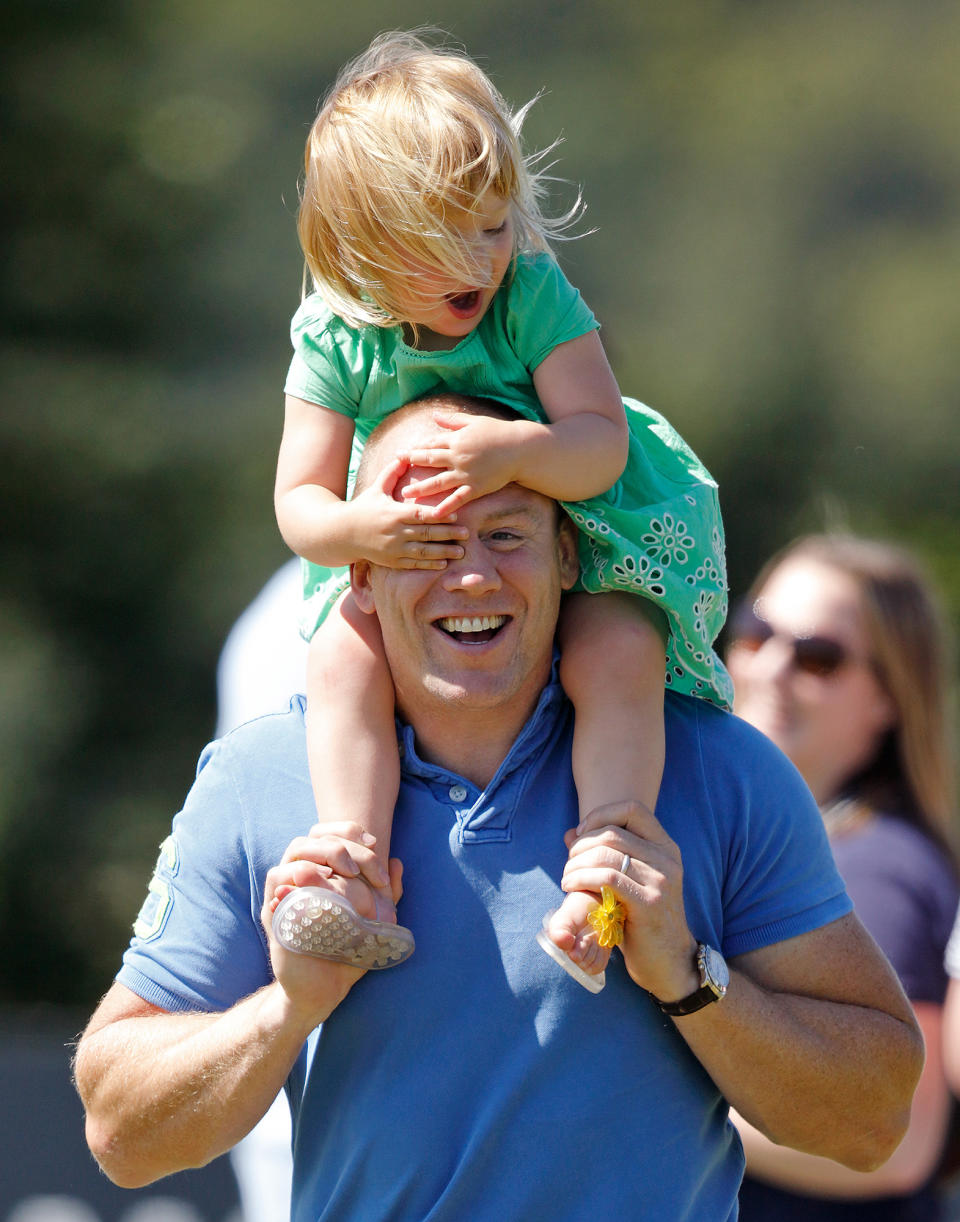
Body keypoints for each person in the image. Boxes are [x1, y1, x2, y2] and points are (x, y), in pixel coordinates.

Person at [74, 397, 924, 1221]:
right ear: (360, 574)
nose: (471, 573)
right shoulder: (259, 778)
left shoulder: (722, 770)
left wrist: (688, 977)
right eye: (425, 540)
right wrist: (287, 1008)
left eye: (506, 535)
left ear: (567, 557)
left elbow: (875, 1120)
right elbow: (120, 1130)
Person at [273, 29, 732, 986]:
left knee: (617, 648)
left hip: (581, 522)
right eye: (452, 239)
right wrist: (362, 533)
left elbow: (598, 443)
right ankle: (352, 863)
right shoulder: (333, 338)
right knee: (339, 656)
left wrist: (515, 449)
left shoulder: (527, 292)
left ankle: (609, 861)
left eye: (495, 225)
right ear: (364, 248)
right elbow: (300, 506)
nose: (483, 259)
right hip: (417, 540)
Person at [725, 533, 958, 1221]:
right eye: (756, 631)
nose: (771, 667)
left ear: (888, 700)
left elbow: (900, 1140)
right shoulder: (760, 840)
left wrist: (643, 1102)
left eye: (818, 657)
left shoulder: (880, 869)